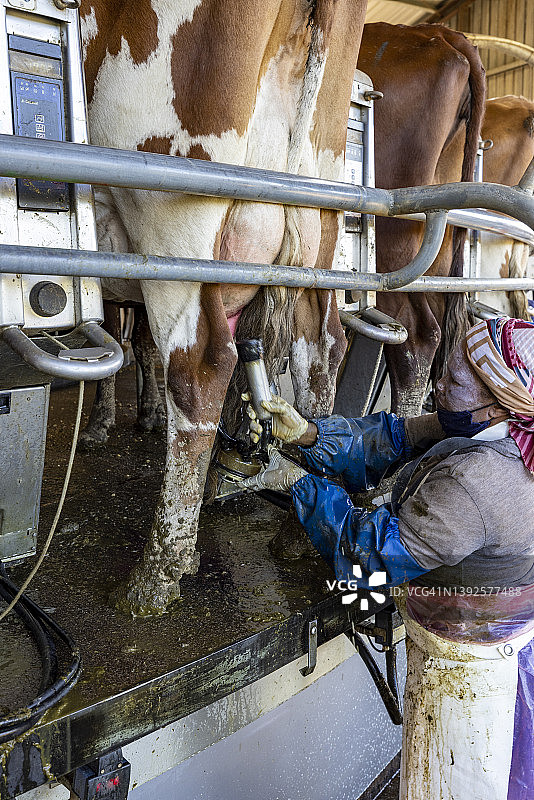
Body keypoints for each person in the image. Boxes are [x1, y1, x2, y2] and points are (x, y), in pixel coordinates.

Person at [240, 316, 534, 800]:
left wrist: (295, 482)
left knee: (453, 781)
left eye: (454, 380)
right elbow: (392, 438)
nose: (438, 385)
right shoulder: (488, 425)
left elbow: (369, 556)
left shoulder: (481, 484)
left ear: (498, 404)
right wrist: (307, 435)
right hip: (461, 644)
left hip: (470, 673)